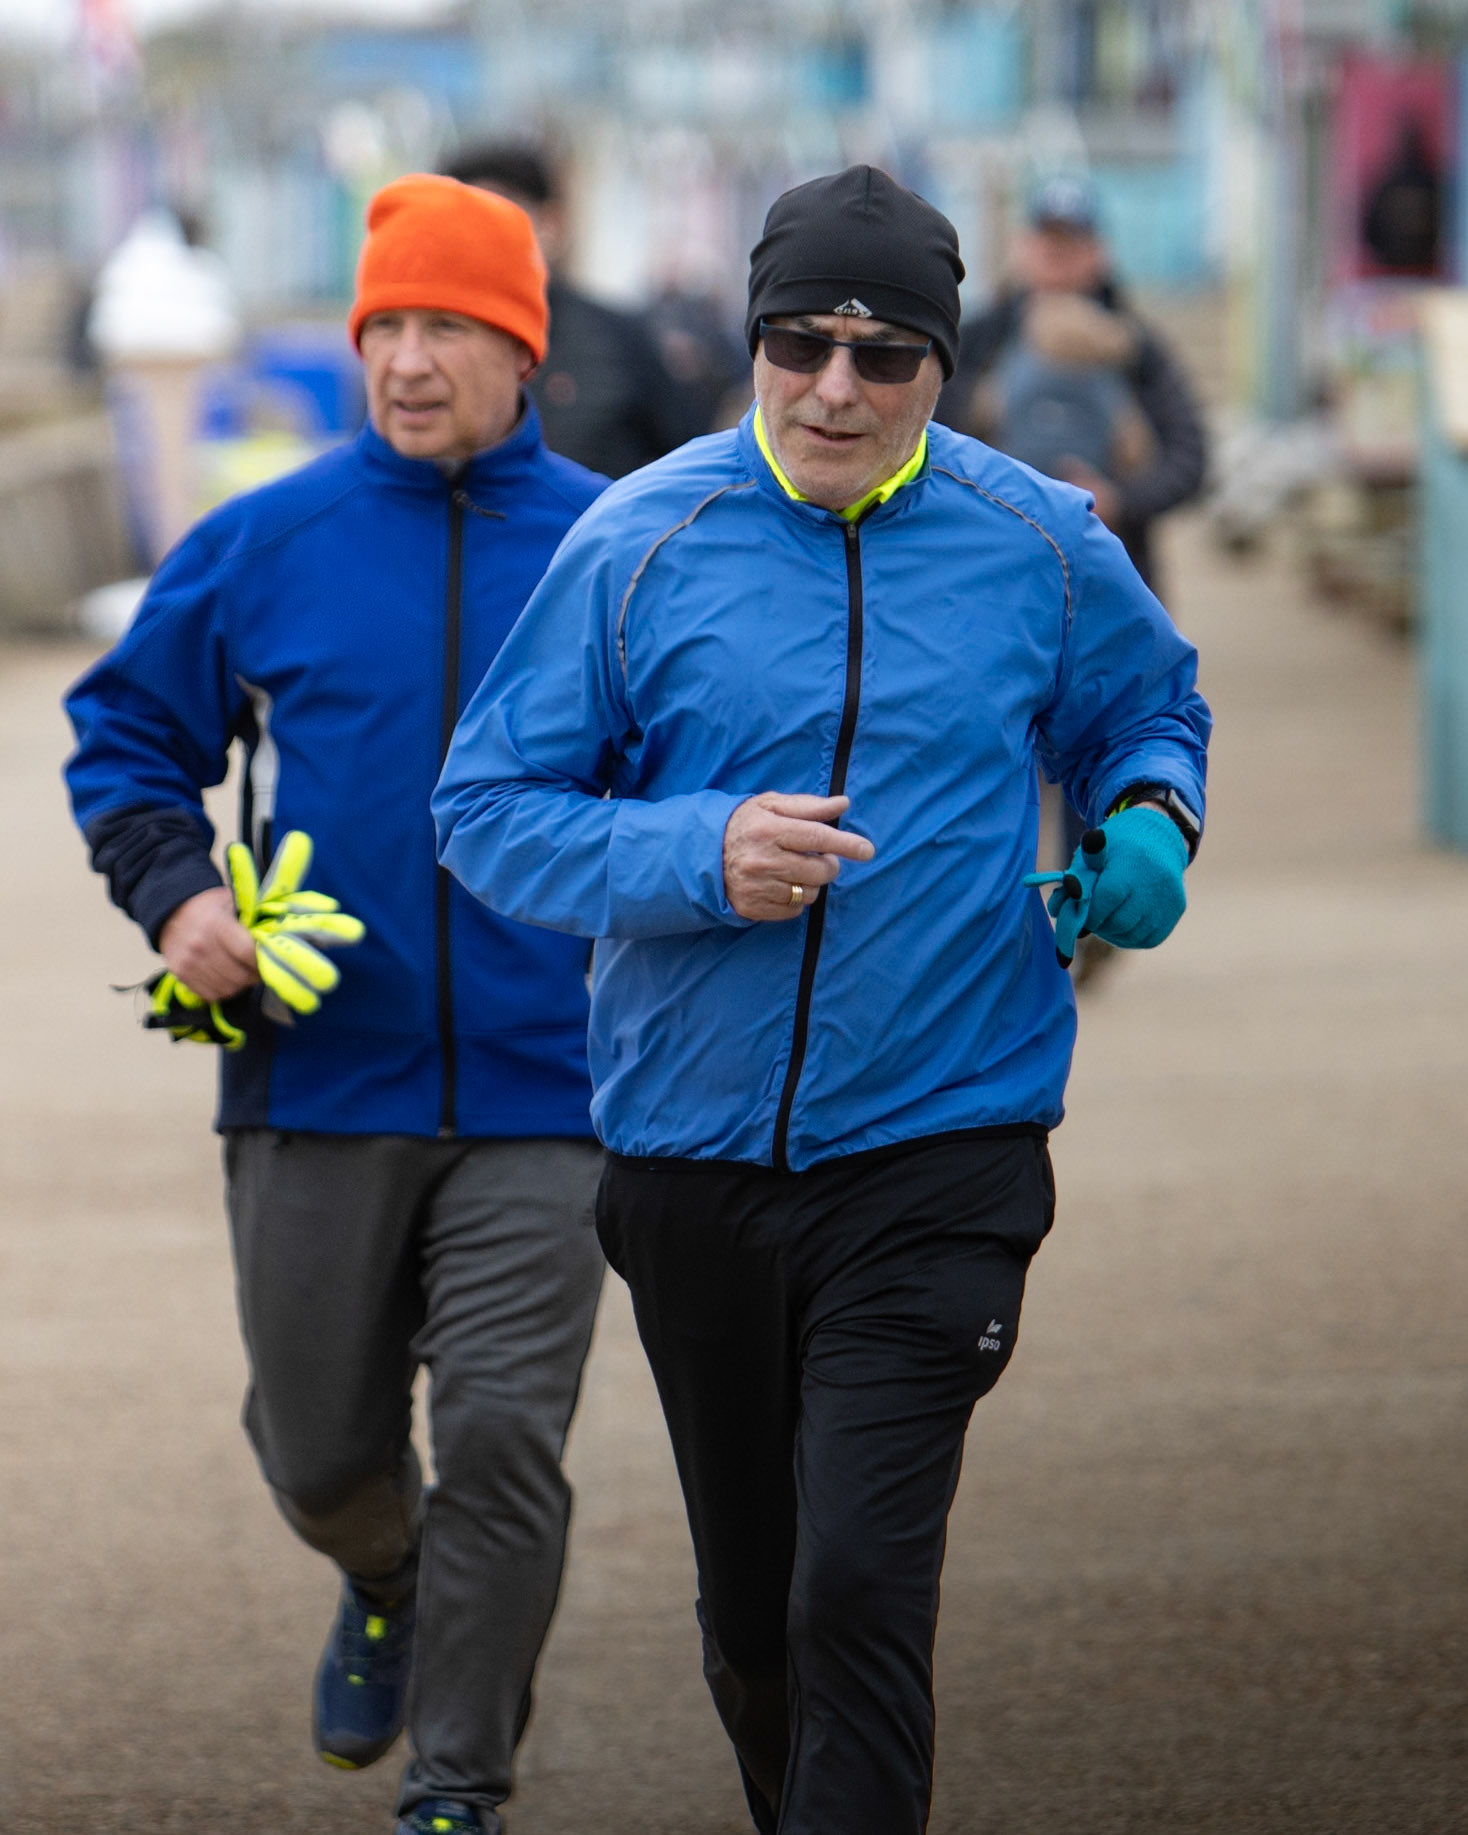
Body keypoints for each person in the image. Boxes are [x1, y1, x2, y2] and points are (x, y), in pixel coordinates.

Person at [433, 165, 1211, 1835]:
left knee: (857, 1584)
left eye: (883, 352)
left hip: (942, 1146)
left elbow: (1148, 712)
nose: (836, 388)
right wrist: (695, 851)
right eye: (800, 343)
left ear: (943, 364)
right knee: (757, 1618)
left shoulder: (1039, 541)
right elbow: (484, 811)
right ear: (753, 343)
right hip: (692, 1158)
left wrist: (1151, 818)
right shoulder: (636, 540)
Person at [63, 175, 607, 1835]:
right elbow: (126, 736)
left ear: (524, 352)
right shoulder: (269, 540)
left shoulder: (618, 546)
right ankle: (384, 1576)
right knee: (317, 1455)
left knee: (503, 1437)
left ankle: (458, 1785)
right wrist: (181, 897)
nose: (408, 361)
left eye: (450, 327)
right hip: (316, 1076)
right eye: (386, 327)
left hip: (554, 1083)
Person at [934, 173, 1206, 590]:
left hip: (1108, 573)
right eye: (1047, 240)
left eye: (1071, 242)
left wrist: (1117, 501)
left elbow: (1189, 458)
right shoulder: (978, 339)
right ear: (1022, 246)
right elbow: (933, 439)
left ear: (1099, 252)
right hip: (997, 570)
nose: (1056, 254)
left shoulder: (1137, 347)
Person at [443, 140, 703, 477]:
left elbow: (690, 468)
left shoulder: (618, 339)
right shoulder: (424, 352)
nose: (480, 243)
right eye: (462, 226)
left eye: (498, 222)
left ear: (551, 224)